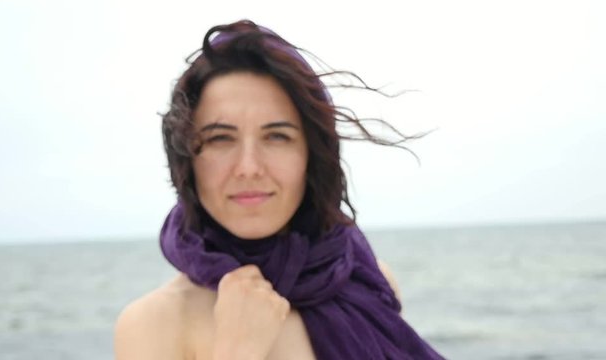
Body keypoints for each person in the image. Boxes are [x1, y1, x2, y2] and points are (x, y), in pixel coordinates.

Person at [114, 20, 445, 360]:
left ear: (312, 156)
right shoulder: (155, 324)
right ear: (187, 160)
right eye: (220, 138)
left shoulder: (366, 279)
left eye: (277, 136)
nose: (249, 167)